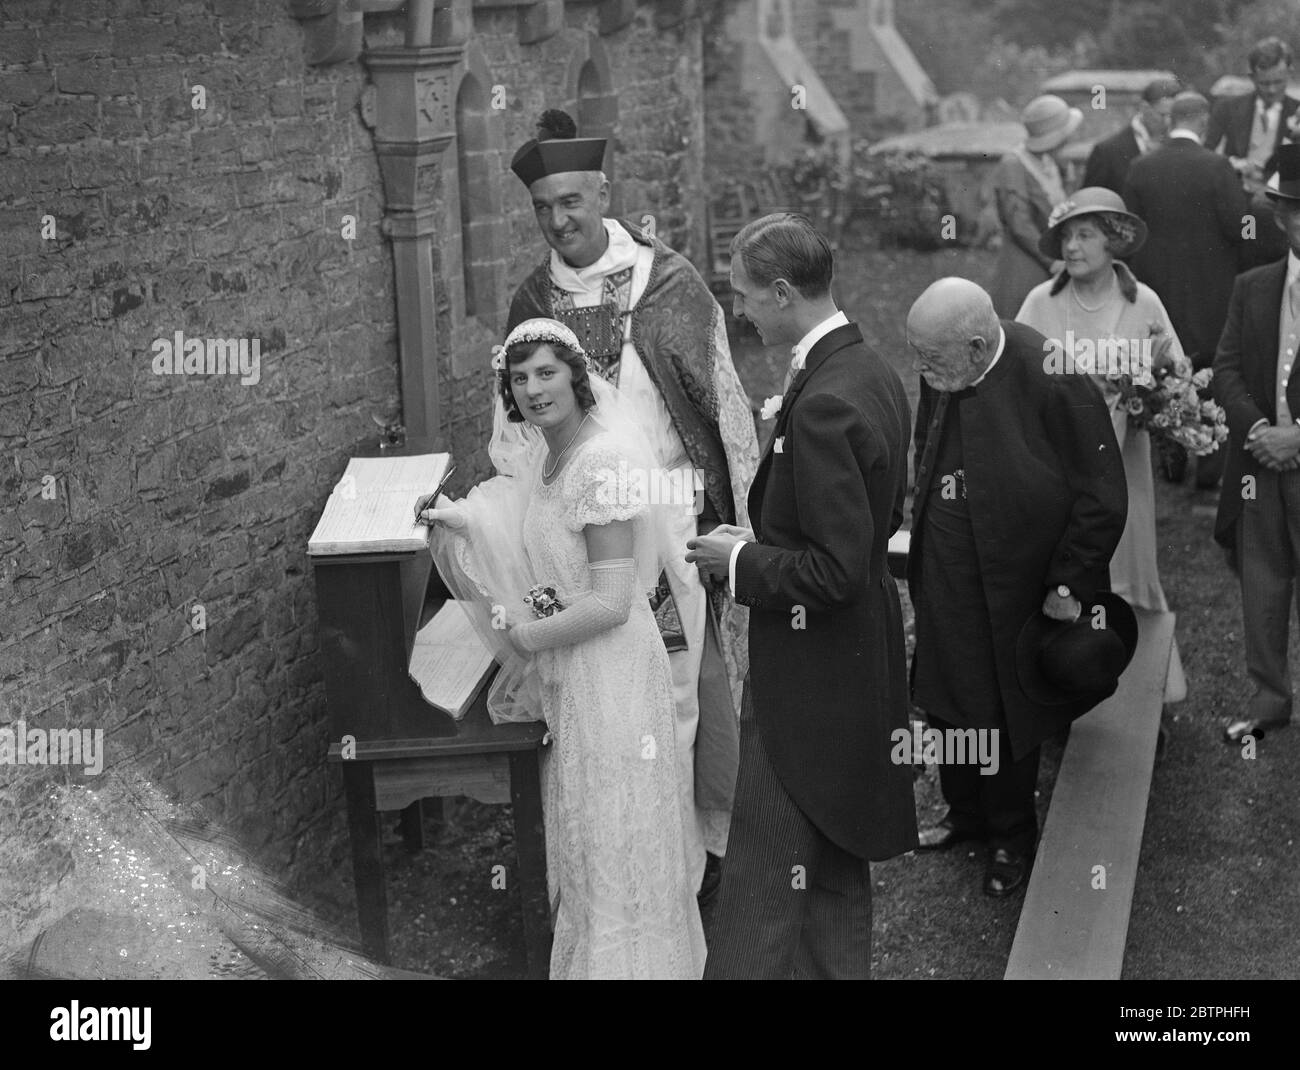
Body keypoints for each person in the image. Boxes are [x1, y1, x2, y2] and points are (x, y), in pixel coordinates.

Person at [507, 110, 760, 897]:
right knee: (593, 697)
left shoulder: (668, 281)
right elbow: (515, 427)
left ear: (604, 192)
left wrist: (739, 512)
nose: (559, 220)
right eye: (544, 207)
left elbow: (721, 400)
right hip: (581, 530)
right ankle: (611, 860)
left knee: (673, 688)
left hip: (670, 522)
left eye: (572, 201)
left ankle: (686, 863)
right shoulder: (533, 297)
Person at [422, 317, 706, 979]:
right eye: (519, 378)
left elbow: (609, 603)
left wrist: (526, 635)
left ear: (577, 380)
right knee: (586, 839)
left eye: (547, 372)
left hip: (613, 678)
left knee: (616, 834)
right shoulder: (550, 456)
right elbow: (525, 516)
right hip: (577, 673)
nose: (532, 388)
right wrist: (461, 517)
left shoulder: (602, 462)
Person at [685, 213, 917, 978]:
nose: (741, 311)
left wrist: (740, 559)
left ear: (784, 292)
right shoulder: (869, 369)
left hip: (811, 682)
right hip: (858, 663)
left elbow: (835, 571)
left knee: (762, 876)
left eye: (745, 295)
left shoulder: (822, 404)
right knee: (832, 865)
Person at [906, 278, 1127, 898]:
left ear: (978, 348)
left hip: (1021, 582)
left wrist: (1069, 581)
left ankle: (1010, 835)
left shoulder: (1052, 375)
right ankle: (964, 813)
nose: (920, 370)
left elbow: (1102, 491)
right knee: (947, 687)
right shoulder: (946, 366)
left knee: (1004, 706)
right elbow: (927, 448)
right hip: (949, 565)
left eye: (930, 359)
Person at [1016, 187, 1187, 705]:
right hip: (1056, 475)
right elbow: (1015, 383)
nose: (1072, 246)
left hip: (1124, 469)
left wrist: (1147, 390)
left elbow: (1177, 379)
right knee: (1064, 575)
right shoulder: (1040, 302)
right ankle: (1066, 691)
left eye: (1085, 235)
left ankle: (1138, 698)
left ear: (1113, 241)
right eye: (1066, 236)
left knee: (1127, 569)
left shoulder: (1144, 301)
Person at [1213, 143, 1300, 745]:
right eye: (1295, 209)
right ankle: (1270, 700)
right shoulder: (1253, 285)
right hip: (1259, 464)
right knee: (1263, 586)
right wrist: (1260, 432)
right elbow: (1226, 370)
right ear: (1279, 216)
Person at [1124, 91, 1249, 489]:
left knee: (1165, 374)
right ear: (1203, 122)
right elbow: (1238, 226)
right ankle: (1209, 471)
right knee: (1210, 376)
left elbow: (1129, 232)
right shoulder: (1217, 167)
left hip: (1157, 291)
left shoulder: (1141, 167)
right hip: (1210, 292)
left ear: (1171, 120)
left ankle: (1173, 467)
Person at [987, 94, 1083, 317]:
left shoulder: (1049, 160)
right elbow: (1019, 222)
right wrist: (1051, 262)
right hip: (1026, 264)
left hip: (1054, 259)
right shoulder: (1013, 164)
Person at [1206, 36, 1298, 192]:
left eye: (1278, 82)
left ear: (1290, 73)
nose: (1272, 90)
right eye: (1264, 83)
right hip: (1235, 193)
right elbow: (1206, 151)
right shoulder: (1227, 107)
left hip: (1280, 198)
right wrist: (1233, 163)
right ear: (1252, 77)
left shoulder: (1298, 111)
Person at [1082, 78, 1179, 195]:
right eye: (1162, 115)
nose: (1167, 121)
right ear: (1144, 108)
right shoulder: (1106, 151)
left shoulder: (1179, 144)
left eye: (1172, 116)